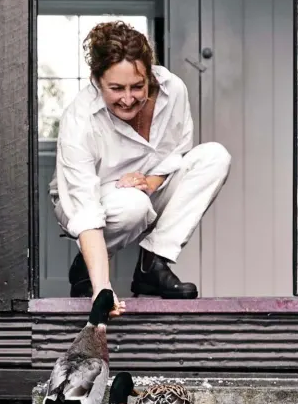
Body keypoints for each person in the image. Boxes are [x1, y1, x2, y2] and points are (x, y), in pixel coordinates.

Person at [49, 21, 231, 312]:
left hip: (143, 186)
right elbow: (83, 207)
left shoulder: (174, 91)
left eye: (137, 86)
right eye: (116, 88)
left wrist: (151, 182)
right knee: (133, 205)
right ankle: (88, 265)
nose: (128, 98)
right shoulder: (80, 119)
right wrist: (102, 289)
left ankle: (152, 265)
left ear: (150, 74)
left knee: (214, 157)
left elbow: (177, 151)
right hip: (86, 198)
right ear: (97, 80)